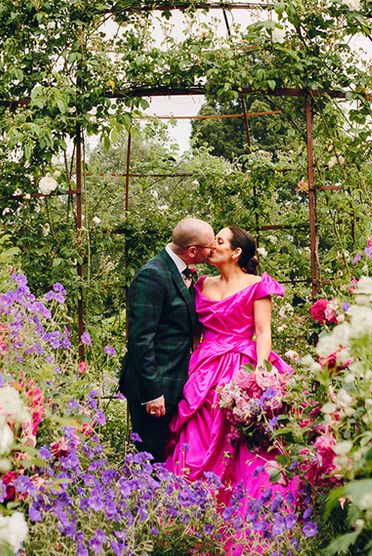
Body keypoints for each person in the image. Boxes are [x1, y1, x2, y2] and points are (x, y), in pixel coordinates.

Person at [165, 225, 293, 514]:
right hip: (204, 369)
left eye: (219, 241)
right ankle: (190, 513)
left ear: (236, 252)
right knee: (195, 438)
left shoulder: (257, 284)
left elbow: (263, 331)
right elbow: (194, 332)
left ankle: (245, 512)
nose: (212, 246)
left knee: (245, 441)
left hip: (240, 364)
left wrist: (260, 372)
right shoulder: (200, 284)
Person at [119, 217, 216, 461]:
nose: (214, 249)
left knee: (168, 457)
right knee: (150, 458)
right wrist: (152, 393)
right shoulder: (152, 275)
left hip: (176, 382)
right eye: (210, 246)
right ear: (192, 251)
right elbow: (141, 339)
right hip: (154, 388)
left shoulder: (182, 271)